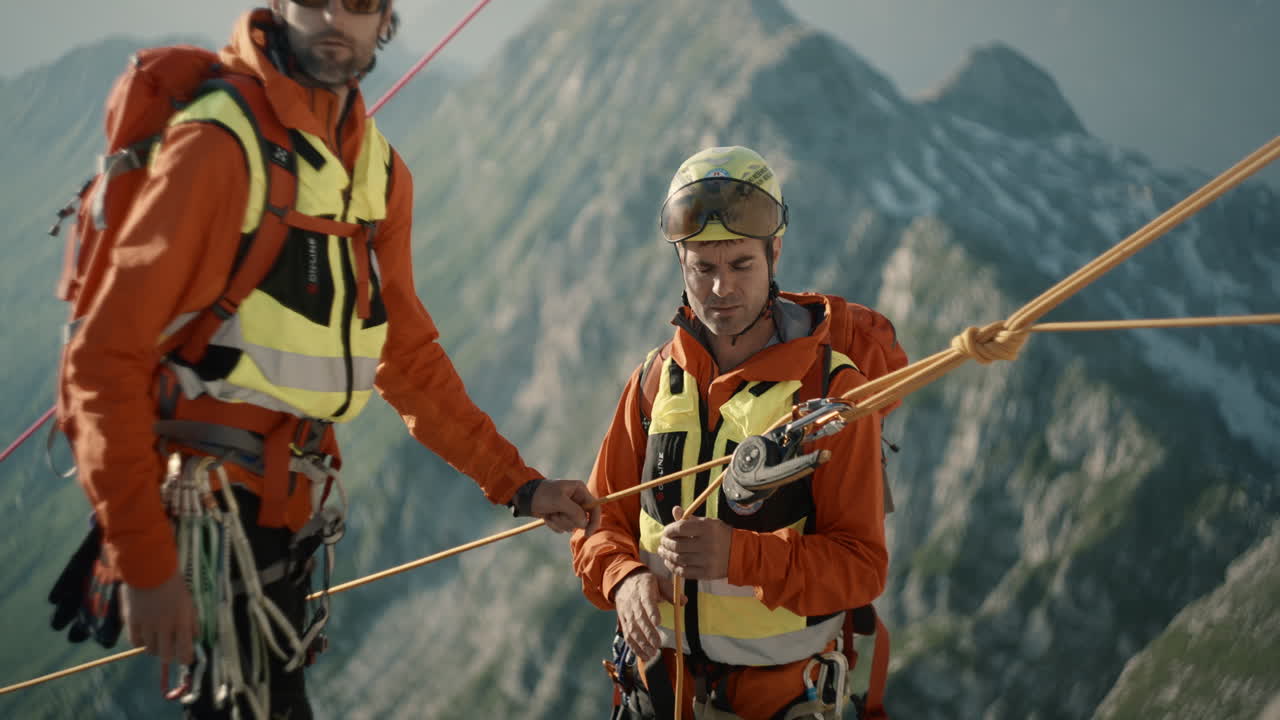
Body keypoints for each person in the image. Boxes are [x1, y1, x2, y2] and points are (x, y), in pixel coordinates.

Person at [59, 1, 599, 717]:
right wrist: (144, 561)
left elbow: (404, 357)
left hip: (286, 517)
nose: (333, 19)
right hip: (211, 517)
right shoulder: (218, 147)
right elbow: (101, 361)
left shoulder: (376, 172)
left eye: (361, 3)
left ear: (385, 22)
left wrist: (520, 486)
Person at [570, 146, 904, 719]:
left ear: (774, 253)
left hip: (779, 702)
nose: (721, 288)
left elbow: (861, 567)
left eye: (741, 265)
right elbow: (599, 523)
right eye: (703, 267)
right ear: (681, 263)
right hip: (657, 695)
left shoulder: (830, 395)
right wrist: (623, 579)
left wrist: (739, 557)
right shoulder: (655, 381)